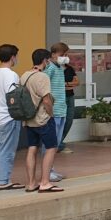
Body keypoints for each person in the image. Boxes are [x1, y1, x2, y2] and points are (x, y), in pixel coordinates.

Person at [21, 48, 62, 192]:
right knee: (51, 148)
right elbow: (46, 101)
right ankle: (45, 182)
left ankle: (31, 183)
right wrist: (51, 114)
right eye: (48, 61)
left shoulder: (24, 75)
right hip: (43, 119)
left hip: (28, 120)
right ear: (45, 61)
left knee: (32, 149)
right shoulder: (43, 77)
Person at [0, 44, 23, 191]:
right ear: (12, 57)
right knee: (7, 150)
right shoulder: (10, 74)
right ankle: (4, 181)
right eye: (17, 56)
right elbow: (13, 98)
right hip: (8, 117)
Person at [43, 42, 69, 181]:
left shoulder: (60, 68)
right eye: (62, 55)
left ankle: (51, 169)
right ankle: (47, 172)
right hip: (54, 112)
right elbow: (43, 85)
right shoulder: (50, 68)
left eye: (65, 55)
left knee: (56, 143)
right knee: (50, 144)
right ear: (53, 54)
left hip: (61, 110)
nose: (64, 57)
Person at [58, 56, 79, 154]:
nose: (66, 57)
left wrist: (66, 84)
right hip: (61, 98)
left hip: (70, 97)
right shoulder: (55, 69)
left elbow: (77, 82)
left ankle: (59, 141)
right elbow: (58, 84)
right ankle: (59, 144)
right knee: (61, 120)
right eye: (63, 54)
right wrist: (69, 85)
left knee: (69, 120)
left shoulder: (70, 69)